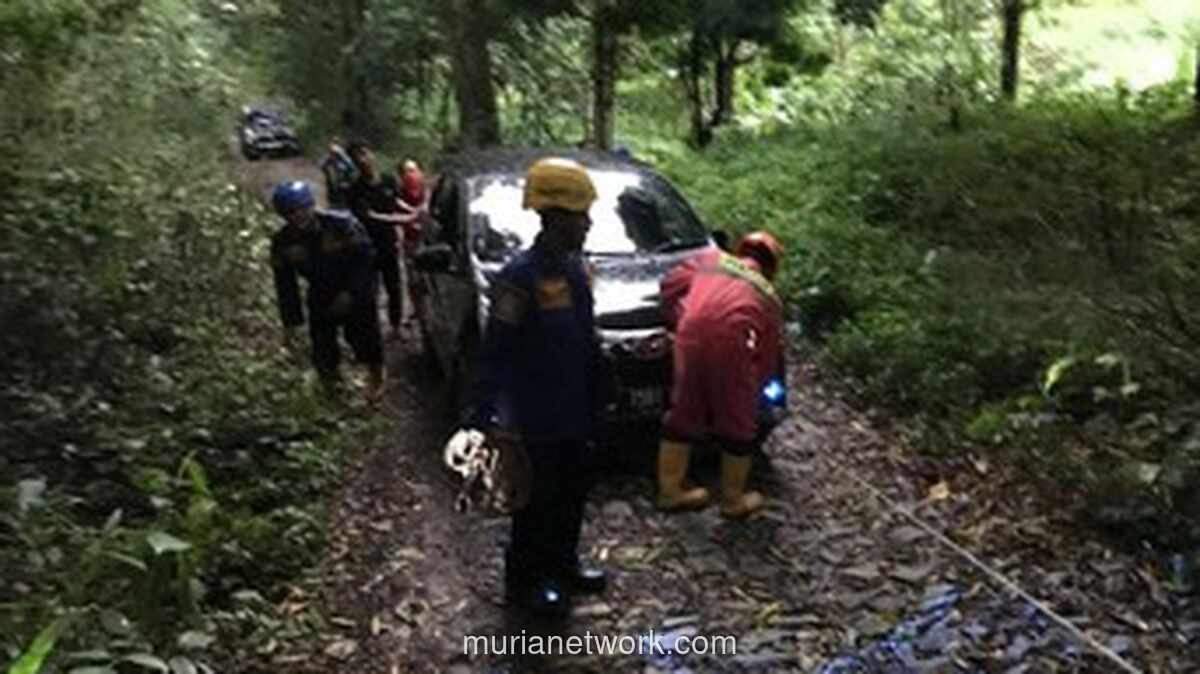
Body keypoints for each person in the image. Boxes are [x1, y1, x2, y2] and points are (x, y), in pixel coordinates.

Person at [466, 157, 608, 618]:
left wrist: (601, 383)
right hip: (534, 419)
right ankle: (529, 582)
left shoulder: (575, 271)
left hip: (575, 411)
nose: (587, 225)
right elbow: (496, 351)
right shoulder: (519, 278)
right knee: (535, 505)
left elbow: (585, 337)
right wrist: (488, 414)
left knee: (572, 495)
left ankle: (563, 565)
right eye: (580, 217)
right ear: (556, 218)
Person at [655, 231, 786, 518]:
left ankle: (670, 491)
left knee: (684, 410)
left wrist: (676, 316)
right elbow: (768, 353)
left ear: (740, 250)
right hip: (733, 345)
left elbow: (669, 286)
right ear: (772, 266)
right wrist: (758, 388)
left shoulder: (710, 259)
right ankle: (732, 500)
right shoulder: (768, 294)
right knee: (738, 421)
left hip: (689, 334)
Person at [269, 181, 385, 400]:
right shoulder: (283, 242)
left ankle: (376, 377)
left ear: (311, 206)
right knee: (322, 343)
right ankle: (331, 386)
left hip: (356, 285)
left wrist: (351, 293)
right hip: (321, 290)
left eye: (301, 209)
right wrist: (291, 323)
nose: (297, 217)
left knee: (364, 337)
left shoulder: (341, 224)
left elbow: (366, 260)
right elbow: (285, 284)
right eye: (290, 213)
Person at [346, 141, 404, 338]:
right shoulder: (354, 190)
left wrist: (414, 210)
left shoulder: (388, 180)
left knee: (394, 287)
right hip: (368, 246)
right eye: (356, 158)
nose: (362, 160)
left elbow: (396, 201)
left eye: (364, 153)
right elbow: (369, 216)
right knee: (371, 289)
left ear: (371, 154)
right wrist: (402, 219)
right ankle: (373, 329)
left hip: (389, 244)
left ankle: (396, 326)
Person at [320, 136, 358, 209]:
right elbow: (322, 165)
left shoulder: (344, 156)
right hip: (336, 184)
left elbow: (351, 167)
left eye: (335, 143)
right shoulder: (331, 157)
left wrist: (340, 154)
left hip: (345, 183)